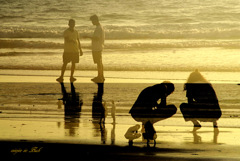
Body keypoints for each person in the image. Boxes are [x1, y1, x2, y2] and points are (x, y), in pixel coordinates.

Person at [85, 15, 105, 83]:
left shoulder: (98, 28)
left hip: (97, 47)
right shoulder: (100, 27)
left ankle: (100, 77)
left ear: (96, 20)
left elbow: (96, 38)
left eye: (92, 21)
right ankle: (101, 76)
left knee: (98, 62)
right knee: (100, 62)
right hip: (98, 47)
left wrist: (87, 36)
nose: (92, 22)